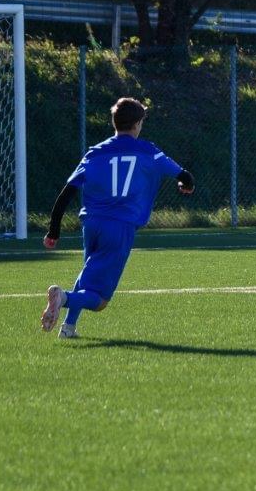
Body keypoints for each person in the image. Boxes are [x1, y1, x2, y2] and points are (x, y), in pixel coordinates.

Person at [40, 97, 195, 339]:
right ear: (136, 124)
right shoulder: (148, 151)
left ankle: (68, 327)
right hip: (120, 226)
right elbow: (184, 175)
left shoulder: (95, 153)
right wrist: (185, 185)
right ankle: (64, 298)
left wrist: (54, 230)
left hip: (91, 224)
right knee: (100, 299)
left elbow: (67, 191)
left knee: (88, 273)